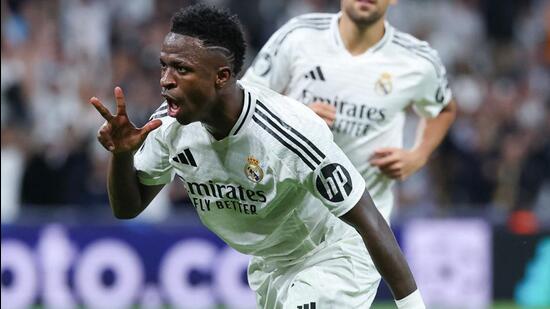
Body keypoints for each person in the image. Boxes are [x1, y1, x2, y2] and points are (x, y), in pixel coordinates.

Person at [90, 4, 425, 308]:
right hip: (270, 265)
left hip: (331, 253)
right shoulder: (168, 126)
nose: (165, 81)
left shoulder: (289, 131)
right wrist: (121, 155)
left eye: (181, 69)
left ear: (221, 76)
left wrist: (413, 306)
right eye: (164, 66)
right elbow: (128, 207)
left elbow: (369, 218)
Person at [243, 0, 457, 223]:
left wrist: (418, 155)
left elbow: (444, 109)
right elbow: (246, 100)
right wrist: (296, 116)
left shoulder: (417, 60)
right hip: (290, 217)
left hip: (363, 225)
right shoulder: (298, 35)